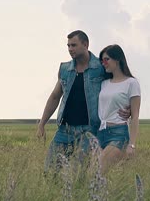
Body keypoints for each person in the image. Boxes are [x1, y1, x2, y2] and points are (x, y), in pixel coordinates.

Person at [37, 30, 129, 174]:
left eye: (73, 45)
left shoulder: (100, 67)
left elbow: (119, 84)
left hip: (88, 131)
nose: (70, 49)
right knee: (49, 172)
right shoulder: (65, 69)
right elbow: (55, 96)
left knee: (79, 173)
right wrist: (42, 123)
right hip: (64, 130)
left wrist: (128, 108)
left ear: (85, 44)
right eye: (68, 46)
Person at [97, 44, 141, 174]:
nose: (103, 63)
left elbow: (135, 116)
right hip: (100, 133)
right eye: (102, 61)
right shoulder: (104, 83)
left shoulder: (131, 83)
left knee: (97, 171)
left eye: (106, 59)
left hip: (118, 133)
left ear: (117, 59)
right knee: (104, 174)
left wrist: (131, 145)